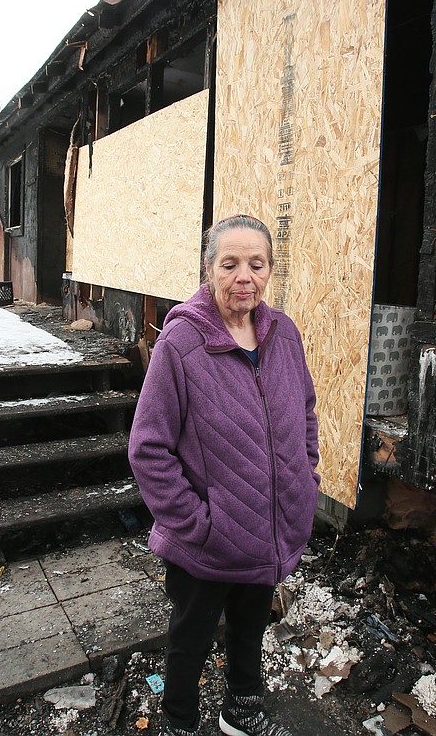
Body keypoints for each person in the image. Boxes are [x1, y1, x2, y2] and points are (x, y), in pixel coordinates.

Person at [128, 214, 321, 736]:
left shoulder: (283, 335)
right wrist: (197, 524)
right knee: (190, 636)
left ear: (269, 271)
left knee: (250, 628)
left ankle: (242, 711)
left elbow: (304, 410)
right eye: (230, 263)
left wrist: (306, 479)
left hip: (268, 530)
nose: (244, 277)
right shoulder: (183, 345)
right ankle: (180, 721)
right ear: (209, 268)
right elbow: (148, 448)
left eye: (256, 264)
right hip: (209, 539)